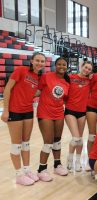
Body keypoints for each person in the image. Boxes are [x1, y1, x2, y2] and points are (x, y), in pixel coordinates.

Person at [1, 52, 46, 186]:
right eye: (37, 60)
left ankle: (26, 170)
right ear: (32, 61)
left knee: (26, 143)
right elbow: (7, 89)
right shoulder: (21, 70)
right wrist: (5, 110)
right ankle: (19, 174)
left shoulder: (39, 77)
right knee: (16, 144)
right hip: (14, 111)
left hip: (28, 111)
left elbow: (34, 92)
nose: (40, 63)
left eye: (42, 61)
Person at [36, 57, 70, 182]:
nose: (62, 66)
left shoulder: (67, 82)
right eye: (59, 64)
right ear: (55, 65)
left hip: (59, 113)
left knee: (57, 140)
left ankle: (57, 165)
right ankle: (41, 169)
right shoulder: (46, 76)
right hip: (45, 112)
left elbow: (65, 99)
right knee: (48, 141)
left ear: (67, 66)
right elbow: (38, 91)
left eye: (64, 65)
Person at [65, 61, 93, 172]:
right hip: (70, 110)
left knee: (80, 139)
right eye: (86, 67)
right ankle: (69, 159)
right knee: (75, 138)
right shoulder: (70, 77)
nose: (87, 70)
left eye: (89, 69)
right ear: (81, 66)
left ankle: (78, 161)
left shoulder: (89, 81)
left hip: (82, 112)